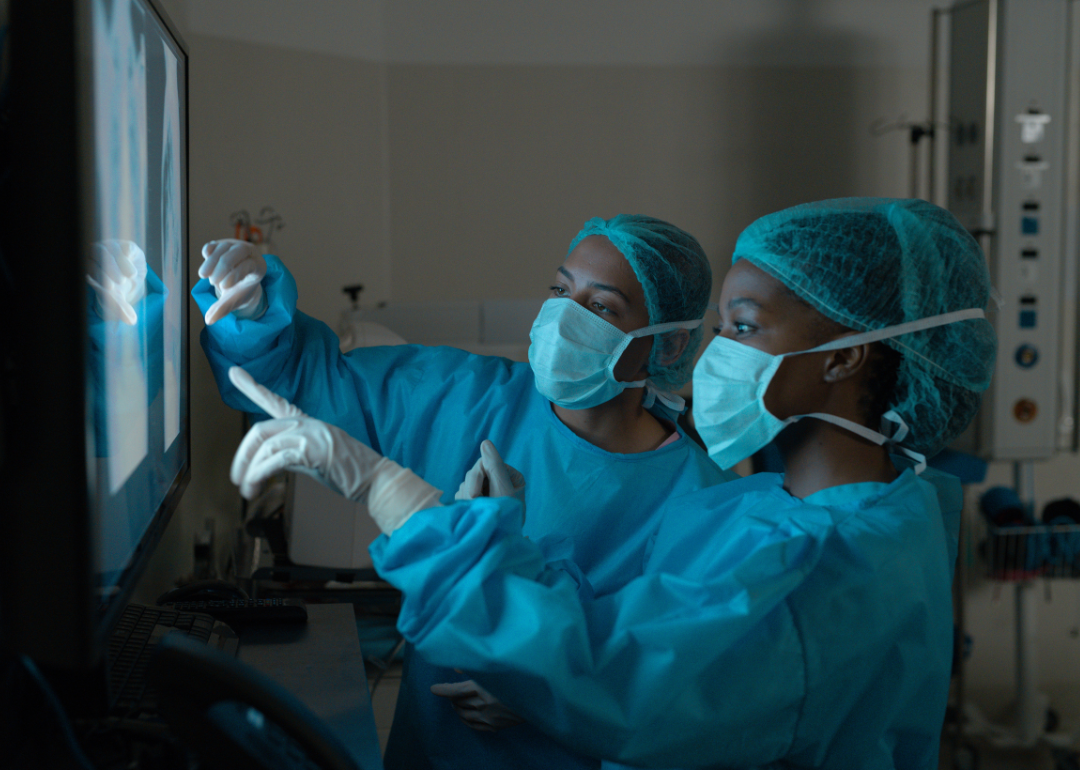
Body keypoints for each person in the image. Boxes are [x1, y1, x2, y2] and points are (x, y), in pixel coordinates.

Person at [228, 197, 997, 769]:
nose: (716, 355)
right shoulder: (789, 510)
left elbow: (615, 672)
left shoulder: (820, 561)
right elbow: (626, 627)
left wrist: (392, 495)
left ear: (845, 357)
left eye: (744, 328)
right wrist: (506, 550)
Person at [193, 215, 735, 770]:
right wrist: (254, 309)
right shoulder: (469, 398)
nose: (562, 318)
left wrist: (555, 703)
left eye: (600, 308)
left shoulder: (701, 504)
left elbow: (676, 697)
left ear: (667, 345)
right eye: (560, 290)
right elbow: (305, 381)